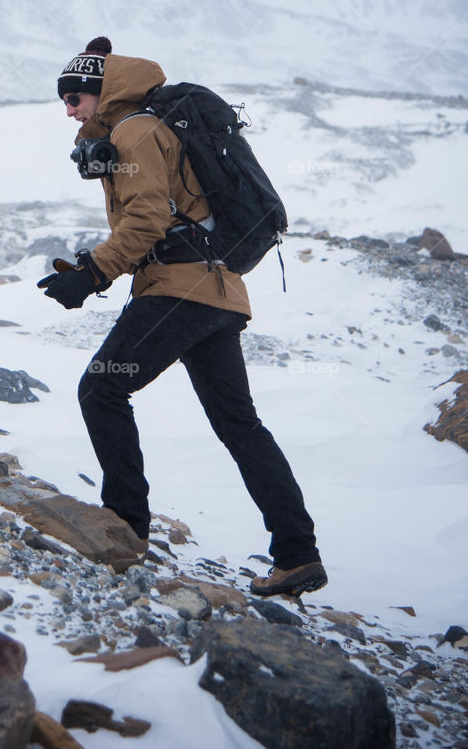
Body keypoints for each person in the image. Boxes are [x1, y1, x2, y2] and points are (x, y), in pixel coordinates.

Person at [37, 36, 327, 597]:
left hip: (177, 290)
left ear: (101, 92)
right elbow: (167, 218)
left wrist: (93, 274)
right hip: (217, 293)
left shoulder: (134, 130)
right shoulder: (147, 128)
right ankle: (297, 554)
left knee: (101, 390)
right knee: (239, 425)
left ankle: (124, 527)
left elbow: (145, 221)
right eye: (65, 102)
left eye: (75, 99)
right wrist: (88, 266)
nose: (69, 111)